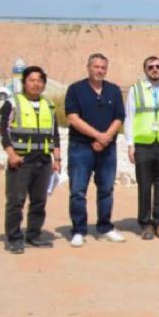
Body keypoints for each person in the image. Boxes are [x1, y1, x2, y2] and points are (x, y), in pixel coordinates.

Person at [64, 52, 126, 247]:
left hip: (107, 149)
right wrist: (98, 136)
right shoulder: (75, 89)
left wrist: (106, 138)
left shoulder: (113, 90)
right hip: (81, 148)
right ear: (88, 67)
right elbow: (73, 118)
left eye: (103, 67)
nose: (100, 70)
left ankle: (105, 227)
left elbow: (119, 117)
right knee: (78, 191)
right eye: (96, 67)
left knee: (106, 189)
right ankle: (78, 230)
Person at [0, 65, 61, 253]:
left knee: (39, 201)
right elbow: (3, 131)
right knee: (16, 201)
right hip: (21, 161)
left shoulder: (48, 105)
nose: (36, 84)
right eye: (32, 80)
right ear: (24, 83)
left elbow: (54, 134)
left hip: (43, 161)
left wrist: (57, 159)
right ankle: (14, 238)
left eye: (40, 80)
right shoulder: (12, 103)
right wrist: (11, 154)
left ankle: (34, 235)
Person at [125, 55, 159, 240]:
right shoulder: (136, 90)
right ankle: (145, 223)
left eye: (158, 66)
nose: (155, 69)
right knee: (145, 185)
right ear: (145, 70)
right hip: (144, 145)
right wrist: (130, 144)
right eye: (151, 67)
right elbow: (129, 117)